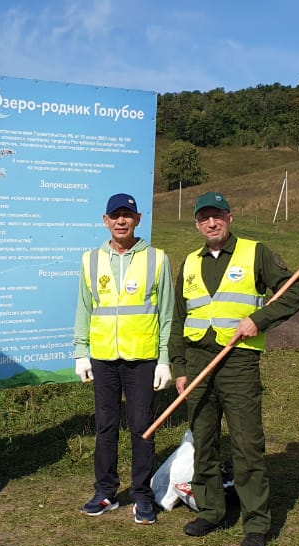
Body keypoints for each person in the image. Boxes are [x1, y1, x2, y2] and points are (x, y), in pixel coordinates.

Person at [169, 191, 299, 546]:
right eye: (203, 218)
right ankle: (211, 510)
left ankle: (256, 522)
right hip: (197, 362)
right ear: (197, 223)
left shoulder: (255, 253)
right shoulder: (191, 262)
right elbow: (179, 319)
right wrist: (178, 367)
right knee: (203, 440)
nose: (210, 223)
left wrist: (258, 320)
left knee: (247, 444)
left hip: (238, 362)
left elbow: (292, 294)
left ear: (230, 217)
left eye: (217, 216)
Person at [73, 193, 174, 525]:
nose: (121, 221)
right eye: (114, 215)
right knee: (106, 426)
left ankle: (142, 496)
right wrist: (81, 351)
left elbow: (167, 315)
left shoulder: (158, 259)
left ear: (138, 219)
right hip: (103, 357)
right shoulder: (90, 259)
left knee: (143, 428)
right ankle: (106, 491)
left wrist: (164, 360)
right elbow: (84, 309)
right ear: (105, 221)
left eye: (127, 215)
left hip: (142, 357)